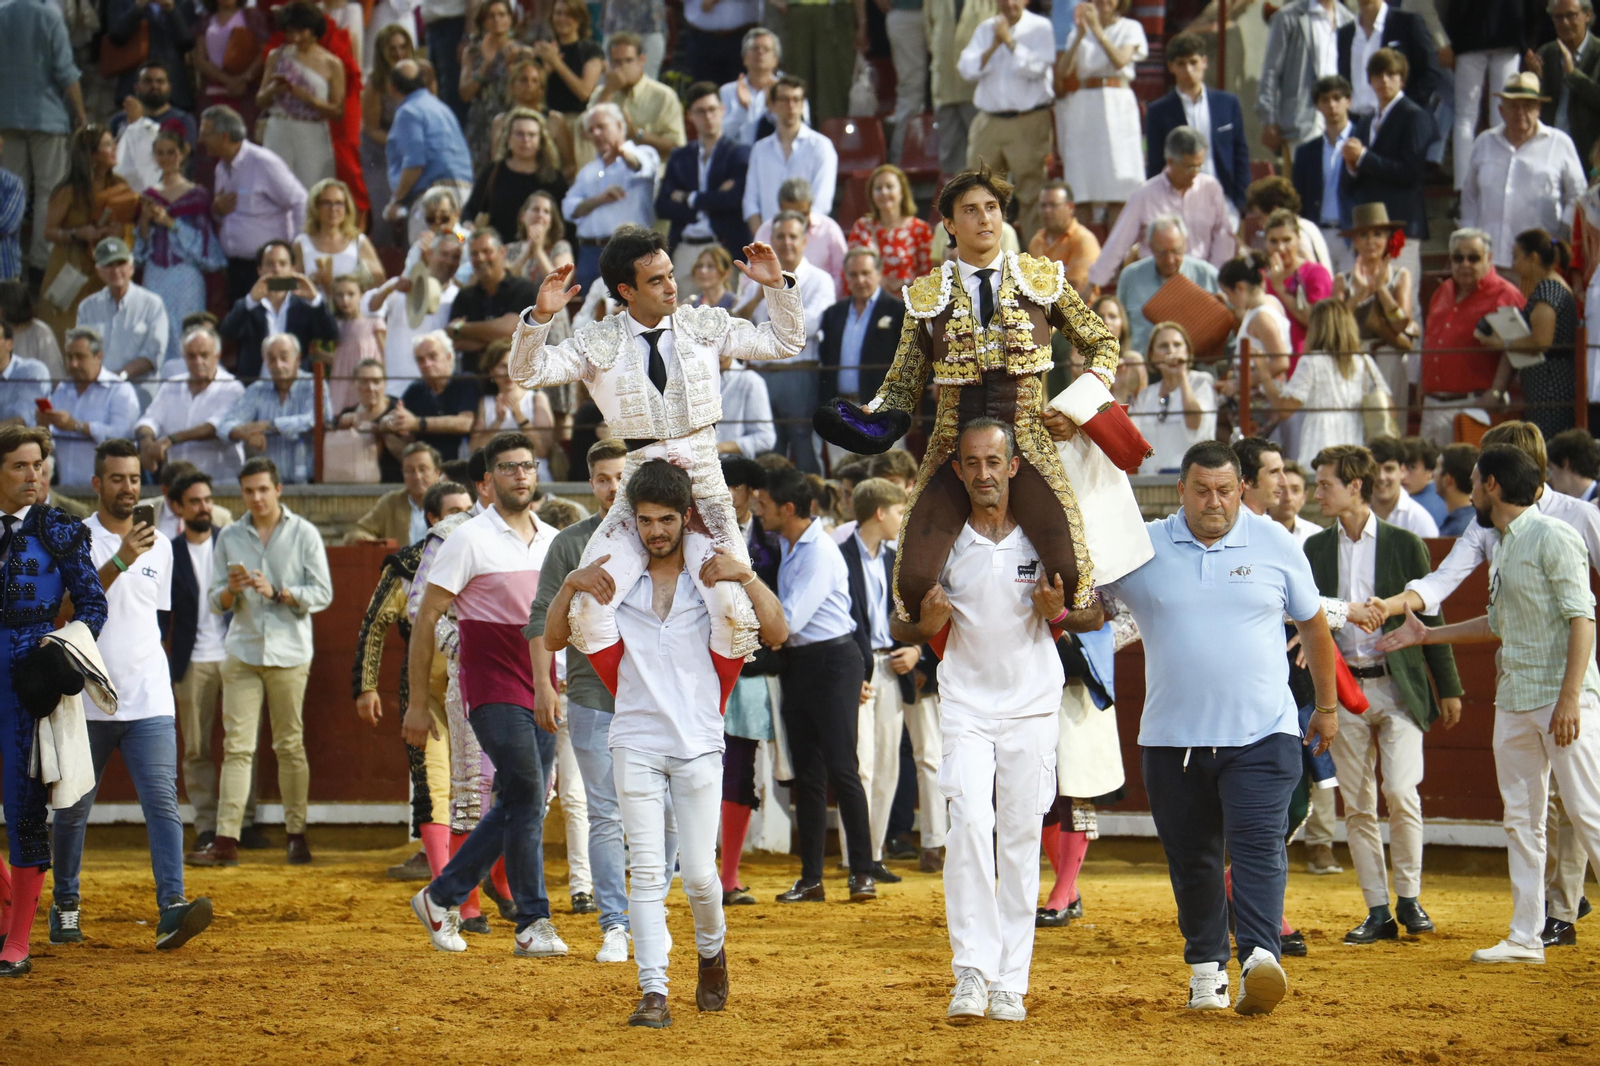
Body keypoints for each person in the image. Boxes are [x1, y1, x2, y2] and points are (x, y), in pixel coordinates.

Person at [816, 164, 1128, 630]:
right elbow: (901, 383)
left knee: (1071, 576)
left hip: (1027, 443)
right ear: (948, 223)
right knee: (914, 582)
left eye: (992, 209)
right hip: (952, 446)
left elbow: (1101, 343)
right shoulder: (927, 296)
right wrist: (870, 419)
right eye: (970, 210)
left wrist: (1075, 408)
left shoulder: (1040, 280)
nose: (985, 219)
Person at [546, 459, 786, 1025]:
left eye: (666, 520)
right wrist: (570, 585)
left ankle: (711, 950)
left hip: (700, 741)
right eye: (647, 520)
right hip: (633, 738)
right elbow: (556, 635)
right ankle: (653, 990)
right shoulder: (617, 580)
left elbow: (777, 632)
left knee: (701, 876)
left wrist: (746, 576)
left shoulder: (713, 579)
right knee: (649, 872)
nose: (656, 531)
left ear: (685, 518)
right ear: (635, 521)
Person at [509, 225, 802, 688]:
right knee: (588, 608)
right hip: (640, 486)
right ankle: (632, 699)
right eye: (657, 281)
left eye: (670, 275)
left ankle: (711, 708)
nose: (672, 287)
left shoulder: (703, 324)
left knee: (731, 609)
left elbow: (785, 344)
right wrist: (538, 320)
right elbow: (528, 372)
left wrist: (777, 287)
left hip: (704, 483)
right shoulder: (596, 342)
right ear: (626, 290)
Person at [1107, 439, 1340, 1014]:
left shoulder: (1275, 542)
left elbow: (1314, 627)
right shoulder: (1143, 545)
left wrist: (1328, 708)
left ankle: (1261, 956)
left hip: (1264, 732)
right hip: (1171, 738)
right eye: (1202, 490)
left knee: (1259, 847)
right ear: (1180, 490)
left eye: (1226, 490)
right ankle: (1207, 967)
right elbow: (1092, 606)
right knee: (1194, 858)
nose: (1215, 501)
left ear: (1242, 490)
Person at [1376, 444, 1600, 964]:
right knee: (1522, 820)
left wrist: (1570, 697)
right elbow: (1498, 625)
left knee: (1589, 813)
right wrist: (1425, 637)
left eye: (1474, 482)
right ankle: (1526, 935)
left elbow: (1582, 618)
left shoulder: (1555, 535)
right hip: (1517, 697)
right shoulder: (1503, 544)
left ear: (1493, 486)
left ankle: (1529, 932)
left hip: (1560, 700)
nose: (1468, 490)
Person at [891, 418, 1079, 1020]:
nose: (982, 474)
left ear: (1013, 466)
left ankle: (1010, 981)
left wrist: (1059, 613)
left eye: (992, 462)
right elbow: (899, 622)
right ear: (957, 469)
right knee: (969, 826)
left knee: (1021, 837)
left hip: (1032, 703)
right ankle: (972, 970)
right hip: (967, 702)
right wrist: (923, 626)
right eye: (971, 463)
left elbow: (1094, 608)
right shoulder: (940, 540)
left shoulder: (1043, 536)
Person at [48, 438, 215, 954]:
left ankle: (172, 908)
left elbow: (153, 620)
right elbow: (65, 611)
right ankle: (66, 905)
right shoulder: (75, 538)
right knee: (73, 808)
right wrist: (121, 558)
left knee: (163, 804)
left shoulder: (162, 546)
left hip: (148, 696)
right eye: (117, 478)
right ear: (97, 484)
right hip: (87, 694)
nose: (128, 488)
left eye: (135, 479)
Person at [405, 432, 567, 957]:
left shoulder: (551, 539)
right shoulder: (467, 538)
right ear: (488, 481)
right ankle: (531, 920)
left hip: (542, 681)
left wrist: (554, 680)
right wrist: (414, 701)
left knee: (526, 799)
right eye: (508, 467)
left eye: (527, 465)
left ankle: (442, 896)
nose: (520, 474)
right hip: (491, 684)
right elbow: (425, 616)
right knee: (524, 790)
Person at [1305, 444, 1463, 945]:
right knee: (1357, 803)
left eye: (1325, 483)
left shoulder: (1404, 542)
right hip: (1347, 686)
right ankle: (1378, 907)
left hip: (1399, 686)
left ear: (1355, 485)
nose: (1317, 493)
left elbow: (1429, 615)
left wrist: (1450, 687)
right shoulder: (1314, 550)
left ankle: (1410, 897)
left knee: (1399, 791)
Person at [524, 438, 641, 954]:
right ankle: (616, 921)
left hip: (654, 698)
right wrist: (545, 684)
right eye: (602, 479)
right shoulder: (570, 544)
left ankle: (646, 911)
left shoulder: (660, 532)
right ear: (590, 483)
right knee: (605, 812)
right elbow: (540, 621)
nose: (612, 487)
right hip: (593, 695)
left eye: (620, 477)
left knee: (662, 811)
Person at [187, 456, 332, 868]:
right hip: (244, 650)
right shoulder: (230, 536)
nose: (256, 497)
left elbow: (322, 593)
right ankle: (226, 840)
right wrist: (232, 591)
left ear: (278, 489)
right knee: (238, 748)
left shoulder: (304, 532)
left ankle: (296, 835)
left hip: (288, 651)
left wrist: (279, 592)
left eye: (263, 489)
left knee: (289, 745)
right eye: (249, 491)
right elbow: (216, 601)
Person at [0, 425, 107, 977]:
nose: (32, 476)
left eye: (38, 465)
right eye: (20, 466)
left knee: (23, 807)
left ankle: (16, 942)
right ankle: (7, 909)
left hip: (25, 670)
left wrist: (61, 646)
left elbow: (93, 603)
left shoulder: (56, 528)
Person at [752, 467, 879, 903]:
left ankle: (862, 871)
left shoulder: (818, 551)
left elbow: (786, 623)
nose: (757, 511)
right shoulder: (793, 545)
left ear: (788, 509)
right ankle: (812, 878)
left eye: (763, 505)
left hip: (830, 661)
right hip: (808, 662)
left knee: (842, 767)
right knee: (808, 773)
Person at [838, 477, 913, 883]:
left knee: (886, 767)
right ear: (880, 513)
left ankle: (875, 852)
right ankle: (857, 857)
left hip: (890, 666)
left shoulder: (891, 559)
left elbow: (904, 614)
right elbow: (838, 621)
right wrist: (850, 671)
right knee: (862, 766)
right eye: (899, 511)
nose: (904, 518)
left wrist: (916, 649)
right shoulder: (839, 556)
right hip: (859, 671)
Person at [735, 211, 834, 472]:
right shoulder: (755, 277)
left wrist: (778, 295)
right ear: (772, 241)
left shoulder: (819, 280)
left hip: (799, 373)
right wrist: (758, 296)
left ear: (804, 241)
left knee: (805, 447)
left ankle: (814, 508)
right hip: (763, 373)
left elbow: (809, 326)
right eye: (780, 236)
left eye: (793, 236)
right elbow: (736, 321)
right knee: (768, 451)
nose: (787, 242)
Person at [1462, 73, 1586, 272]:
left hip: (1539, 263)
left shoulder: (1559, 144)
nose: (1520, 112)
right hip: (1490, 263)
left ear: (1538, 109)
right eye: (1513, 106)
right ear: (1501, 110)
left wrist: (1560, 235)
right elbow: (1469, 199)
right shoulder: (1484, 143)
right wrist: (1469, 244)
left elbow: (1578, 196)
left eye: (1528, 105)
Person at [1090, 127, 1236, 291]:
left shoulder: (1211, 188)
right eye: (1189, 167)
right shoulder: (1145, 194)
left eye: (1199, 167)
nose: (1195, 173)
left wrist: (1214, 278)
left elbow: (1224, 238)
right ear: (1170, 162)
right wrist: (1094, 283)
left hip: (1202, 281)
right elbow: (1118, 242)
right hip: (1155, 283)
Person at [0, 0, 87, 273]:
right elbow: (65, 70)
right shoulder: (50, 16)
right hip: (47, 117)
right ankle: (41, 262)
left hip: (6, 116)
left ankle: (9, 261)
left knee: (12, 192)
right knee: (48, 192)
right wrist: (81, 115)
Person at [957, 0, 1055, 242]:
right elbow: (966, 69)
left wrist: (1010, 43)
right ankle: (987, 257)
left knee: (1032, 192)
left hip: (1028, 119)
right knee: (979, 189)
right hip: (989, 120)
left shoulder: (1040, 27)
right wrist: (994, 44)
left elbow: (1039, 68)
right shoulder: (986, 28)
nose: (1010, 3)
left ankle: (1035, 259)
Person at [1418, 228, 1525, 446]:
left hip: (1473, 406)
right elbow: (1429, 344)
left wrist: (1496, 392)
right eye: (1458, 258)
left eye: (1473, 258)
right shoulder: (1443, 291)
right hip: (1432, 405)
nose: (1465, 264)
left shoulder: (1505, 294)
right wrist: (1421, 390)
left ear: (1489, 258)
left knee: (1468, 476)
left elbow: (1515, 348)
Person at [1342, 48, 1435, 298]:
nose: (1384, 81)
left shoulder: (1415, 116)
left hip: (1401, 223)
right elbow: (1353, 180)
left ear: (1402, 79)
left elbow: (1412, 173)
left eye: (1391, 74)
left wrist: (1363, 157)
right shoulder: (1365, 121)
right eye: (1377, 75)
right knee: (1367, 298)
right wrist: (1352, 165)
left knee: (1403, 299)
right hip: (1369, 226)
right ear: (1369, 80)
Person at [135, 131, 226, 370]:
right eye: (160, 153)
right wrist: (145, 222)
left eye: (171, 152)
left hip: (186, 273)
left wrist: (170, 223)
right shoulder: (148, 195)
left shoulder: (196, 195)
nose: (165, 158)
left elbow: (205, 242)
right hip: (156, 272)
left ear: (182, 154)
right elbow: (141, 248)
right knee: (155, 330)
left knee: (187, 329)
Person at [1260, 300, 1388, 468]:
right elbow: (1388, 405)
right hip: (1354, 442)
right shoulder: (1364, 361)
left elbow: (1285, 409)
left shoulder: (1311, 362)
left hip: (1319, 441)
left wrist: (1263, 373)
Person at [202, 105, 310, 305]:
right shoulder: (221, 168)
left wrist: (295, 250)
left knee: (271, 324)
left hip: (268, 268)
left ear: (224, 136)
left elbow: (299, 200)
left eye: (206, 134)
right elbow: (225, 215)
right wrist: (217, 209)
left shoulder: (263, 162)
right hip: (235, 267)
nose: (201, 140)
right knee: (243, 328)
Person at [40, 126, 138, 342]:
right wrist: (77, 233)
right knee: (65, 328)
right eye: (107, 145)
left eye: (113, 142)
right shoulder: (69, 189)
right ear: (91, 155)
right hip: (72, 266)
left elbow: (130, 222)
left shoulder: (120, 185)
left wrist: (121, 229)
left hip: (105, 267)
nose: (114, 148)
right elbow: (48, 231)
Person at [1055, 0, 1149, 220]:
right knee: (1081, 187)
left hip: (1118, 104)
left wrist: (1097, 31)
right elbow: (1063, 71)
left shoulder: (1130, 27)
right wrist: (1079, 35)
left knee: (1119, 185)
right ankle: (1083, 251)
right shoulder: (1080, 31)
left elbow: (1120, 60)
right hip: (1085, 106)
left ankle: (1119, 253)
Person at [1481, 228, 1579, 439]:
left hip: (1551, 389)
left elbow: (1541, 341)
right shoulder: (1548, 287)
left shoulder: (1548, 290)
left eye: (1516, 258)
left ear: (1533, 258)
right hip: (1544, 388)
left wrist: (1503, 343)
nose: (1513, 265)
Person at [1145, 33, 1250, 215]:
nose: (1188, 69)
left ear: (1204, 62)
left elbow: (1240, 152)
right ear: (1171, 67)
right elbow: (1155, 162)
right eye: (1181, 64)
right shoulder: (1158, 111)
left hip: (1225, 200)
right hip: (1178, 201)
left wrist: (1240, 200)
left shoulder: (1227, 103)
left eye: (1193, 62)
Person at [657, 83, 751, 286]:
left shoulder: (738, 153)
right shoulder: (679, 157)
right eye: (700, 111)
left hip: (723, 245)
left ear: (722, 110)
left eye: (712, 110)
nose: (708, 117)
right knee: (679, 312)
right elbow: (662, 205)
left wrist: (689, 198)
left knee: (726, 313)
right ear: (690, 115)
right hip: (685, 246)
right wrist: (713, 199)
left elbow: (734, 199)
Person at [562, 103, 661, 290]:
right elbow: (568, 209)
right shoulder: (588, 171)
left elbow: (641, 167)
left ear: (619, 126)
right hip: (590, 253)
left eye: (601, 126)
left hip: (631, 251)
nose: (596, 134)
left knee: (631, 312)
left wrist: (622, 153)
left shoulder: (644, 153)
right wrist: (599, 199)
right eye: (591, 130)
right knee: (590, 316)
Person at [1331, 201, 1416, 411]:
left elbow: (1401, 325)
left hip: (1389, 358)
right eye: (1363, 235)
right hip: (1353, 359)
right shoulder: (1342, 281)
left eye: (1377, 234)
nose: (1370, 241)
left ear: (1388, 239)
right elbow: (1334, 328)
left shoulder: (1400, 276)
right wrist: (1358, 295)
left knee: (1390, 426)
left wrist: (1381, 290)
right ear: (1355, 241)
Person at [136, 324, 247, 481]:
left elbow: (217, 427)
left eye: (204, 355)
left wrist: (169, 440)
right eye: (191, 356)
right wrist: (146, 443)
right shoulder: (171, 385)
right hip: (179, 483)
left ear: (217, 356)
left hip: (220, 483)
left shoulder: (233, 388)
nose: (198, 361)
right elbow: (150, 419)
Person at [219, 333, 334, 484]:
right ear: (265, 362)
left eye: (284, 357)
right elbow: (223, 426)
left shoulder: (313, 385)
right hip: (269, 485)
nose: (278, 365)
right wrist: (246, 434)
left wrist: (268, 425)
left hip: (310, 481)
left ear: (298, 359)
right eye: (271, 359)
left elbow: (313, 419)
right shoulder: (257, 389)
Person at [383, 59, 475, 244]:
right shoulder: (440, 107)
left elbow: (415, 163)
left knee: (427, 254)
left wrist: (396, 201)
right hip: (463, 196)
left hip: (434, 201)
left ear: (392, 88)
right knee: (460, 245)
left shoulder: (408, 112)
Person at [1443, 0, 1531, 192]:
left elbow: (1456, 8)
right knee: (1502, 113)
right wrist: (1527, 41)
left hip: (1469, 38)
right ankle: (1500, 181)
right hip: (1508, 35)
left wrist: (1452, 41)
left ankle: (1463, 185)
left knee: (1465, 116)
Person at [220, 239, 339, 381]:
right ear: (259, 269)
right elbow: (228, 332)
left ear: (292, 269)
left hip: (296, 387)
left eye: (282, 264)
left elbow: (330, 334)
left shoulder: (304, 306)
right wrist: (251, 301)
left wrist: (315, 300)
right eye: (270, 264)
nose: (276, 269)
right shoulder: (248, 305)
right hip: (255, 387)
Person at [1257, 0, 1354, 172]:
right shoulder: (1288, 16)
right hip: (1301, 120)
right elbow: (1270, 72)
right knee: (1302, 187)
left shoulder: (1349, 20)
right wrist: (1269, 119)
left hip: (1340, 119)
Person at [258, 2, 345, 191]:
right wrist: (274, 90)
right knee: (275, 189)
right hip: (279, 129)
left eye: (301, 32)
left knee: (312, 190)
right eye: (290, 32)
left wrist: (309, 99)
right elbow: (260, 100)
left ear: (313, 30)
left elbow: (338, 112)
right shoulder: (277, 56)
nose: (295, 38)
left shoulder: (332, 64)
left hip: (312, 134)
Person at [363, 233, 462, 399]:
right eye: (444, 254)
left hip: (438, 392)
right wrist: (390, 289)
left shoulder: (457, 296)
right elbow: (369, 309)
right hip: (397, 388)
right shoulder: (401, 285)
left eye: (455, 257)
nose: (449, 261)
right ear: (429, 254)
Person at [39, 328, 141, 486]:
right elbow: (52, 440)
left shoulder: (119, 389)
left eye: (80, 357)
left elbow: (123, 436)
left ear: (98, 356)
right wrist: (43, 423)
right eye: (69, 357)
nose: (73, 364)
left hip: (105, 491)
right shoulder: (62, 389)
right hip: (64, 487)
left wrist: (78, 426)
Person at [1114, 215, 1221, 357]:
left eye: (1176, 251)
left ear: (1185, 244)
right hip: (1143, 367)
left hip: (1196, 365)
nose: (1170, 260)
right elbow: (1119, 329)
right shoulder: (1130, 277)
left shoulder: (1207, 275)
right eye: (1162, 253)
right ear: (1150, 247)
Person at [742, 77, 836, 236]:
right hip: (768, 240)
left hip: (808, 238)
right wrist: (763, 240)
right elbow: (750, 203)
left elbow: (821, 203)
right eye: (784, 100)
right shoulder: (760, 150)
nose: (791, 106)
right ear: (772, 106)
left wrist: (796, 237)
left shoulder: (821, 146)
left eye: (796, 100)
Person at [463, 110, 568, 251]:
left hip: (542, 254)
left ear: (540, 140)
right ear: (508, 138)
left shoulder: (553, 177)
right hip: (500, 254)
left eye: (531, 135)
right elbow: (470, 210)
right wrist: (468, 227)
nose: (525, 140)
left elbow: (566, 222)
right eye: (519, 134)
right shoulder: (494, 172)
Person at [820, 247, 906, 418]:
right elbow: (826, 357)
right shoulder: (833, 313)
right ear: (845, 276)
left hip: (882, 410)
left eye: (866, 273)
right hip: (840, 410)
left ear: (879, 273)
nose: (860, 280)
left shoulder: (899, 311)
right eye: (853, 274)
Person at [74, 237, 171, 386]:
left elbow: (153, 354)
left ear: (131, 267)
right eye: (109, 265)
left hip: (138, 394)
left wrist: (120, 375)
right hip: (97, 389)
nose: (116, 270)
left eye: (121, 263)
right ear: (98, 271)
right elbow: (82, 351)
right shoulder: (87, 307)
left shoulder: (152, 304)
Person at [1127, 322, 1217, 475]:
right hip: (1152, 481)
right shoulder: (1145, 395)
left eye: (1177, 345)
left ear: (1187, 352)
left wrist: (1181, 375)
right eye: (1163, 346)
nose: (1171, 351)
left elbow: (1195, 424)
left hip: (1192, 480)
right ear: (1152, 355)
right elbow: (1131, 440)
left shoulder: (1201, 383)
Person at [1338, 0, 1444, 128]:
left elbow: (1430, 71)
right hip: (1356, 125)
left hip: (1400, 125)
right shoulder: (1345, 34)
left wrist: (1402, 110)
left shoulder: (1408, 23)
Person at [585, 32, 685, 161]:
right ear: (609, 64)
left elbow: (676, 147)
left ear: (641, 60)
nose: (623, 67)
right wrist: (608, 91)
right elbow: (585, 133)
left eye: (629, 60)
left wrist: (637, 134)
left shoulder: (664, 95)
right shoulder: (601, 93)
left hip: (653, 173)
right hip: (608, 171)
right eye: (617, 62)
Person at [1293, 76, 1358, 274]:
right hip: (1318, 232)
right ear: (1317, 106)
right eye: (1325, 100)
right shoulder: (1306, 151)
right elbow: (1299, 197)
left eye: (1337, 98)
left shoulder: (1364, 141)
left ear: (1349, 101)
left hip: (1353, 234)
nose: (1332, 105)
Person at [458, 0, 531, 172]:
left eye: (501, 14)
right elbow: (464, 93)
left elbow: (529, 92)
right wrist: (486, 65)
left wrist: (509, 67)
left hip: (511, 121)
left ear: (510, 19)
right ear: (483, 22)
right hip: (480, 123)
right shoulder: (472, 52)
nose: (496, 20)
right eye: (491, 16)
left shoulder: (522, 53)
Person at [446, 229, 538, 360]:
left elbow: (511, 330)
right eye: (474, 254)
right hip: (474, 377)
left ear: (502, 252)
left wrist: (461, 328)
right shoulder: (464, 296)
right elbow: (454, 342)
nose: (480, 258)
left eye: (486, 251)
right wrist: (498, 338)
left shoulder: (524, 289)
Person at [361, 25, 415, 245]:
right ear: (381, 52)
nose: (399, 53)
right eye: (392, 48)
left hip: (414, 154)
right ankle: (382, 268)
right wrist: (402, 144)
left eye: (403, 47)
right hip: (379, 154)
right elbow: (372, 129)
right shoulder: (374, 83)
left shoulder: (422, 73)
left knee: (415, 214)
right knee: (385, 216)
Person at [385, 329, 477, 459]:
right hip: (428, 464)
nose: (427, 364)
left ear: (448, 357)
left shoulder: (465, 382)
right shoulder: (415, 389)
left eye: (433, 357)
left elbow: (465, 423)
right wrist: (392, 422)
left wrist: (418, 423)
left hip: (460, 463)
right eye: (421, 360)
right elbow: (398, 418)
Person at [749, 177, 849, 297]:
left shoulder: (829, 229)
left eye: (803, 213)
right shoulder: (766, 230)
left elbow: (842, 274)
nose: (797, 219)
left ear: (810, 206)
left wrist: (824, 297)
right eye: (790, 213)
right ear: (780, 208)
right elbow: (751, 276)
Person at [927, 0, 993, 178]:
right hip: (944, 86)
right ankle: (955, 203)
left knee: (985, 161)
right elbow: (930, 33)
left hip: (978, 90)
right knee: (951, 160)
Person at [470, 340, 558, 472]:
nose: (509, 372)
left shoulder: (537, 399)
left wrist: (519, 416)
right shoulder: (485, 403)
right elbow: (474, 450)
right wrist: (497, 422)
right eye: (503, 366)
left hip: (533, 471)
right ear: (491, 371)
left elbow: (542, 450)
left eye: (514, 365)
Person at [1531, 0, 1600, 168]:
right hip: (1550, 149)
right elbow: (1535, 106)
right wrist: (1536, 79)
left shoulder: (1597, 53)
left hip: (1588, 152)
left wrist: (1573, 75)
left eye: (1571, 15)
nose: (1565, 23)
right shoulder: (1547, 53)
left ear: (1587, 15)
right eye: (1558, 17)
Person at [847, 165, 934, 296]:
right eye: (878, 188)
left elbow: (929, 275)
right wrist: (877, 281)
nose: (884, 192)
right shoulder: (861, 228)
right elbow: (851, 268)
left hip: (908, 303)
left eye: (889, 187)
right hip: (871, 301)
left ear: (902, 192)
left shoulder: (920, 229)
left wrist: (905, 283)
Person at [532, 0, 605, 155]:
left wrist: (557, 64)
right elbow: (532, 92)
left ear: (580, 19)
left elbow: (584, 92)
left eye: (568, 14)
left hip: (577, 124)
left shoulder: (591, 50)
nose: (562, 19)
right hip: (548, 121)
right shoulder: (544, 50)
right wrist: (545, 71)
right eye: (558, 13)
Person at [295, 178, 385, 297]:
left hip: (350, 310)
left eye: (339, 203)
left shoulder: (358, 241)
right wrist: (310, 281)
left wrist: (349, 285)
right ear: (315, 207)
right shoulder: (302, 243)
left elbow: (379, 281)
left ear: (346, 208)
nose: (333, 209)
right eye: (327, 203)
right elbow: (289, 284)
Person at [350, 442, 443, 543]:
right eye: (410, 471)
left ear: (437, 473)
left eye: (423, 469)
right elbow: (357, 532)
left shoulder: (448, 502)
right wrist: (380, 546)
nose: (417, 477)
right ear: (403, 474)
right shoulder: (391, 503)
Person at [1027, 182, 1100, 297]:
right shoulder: (1036, 241)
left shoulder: (1083, 240)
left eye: (1053, 205)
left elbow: (1077, 290)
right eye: (1043, 205)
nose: (1047, 210)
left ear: (1070, 207)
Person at [505, 190, 575, 292]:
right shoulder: (510, 249)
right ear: (523, 216)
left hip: (551, 307)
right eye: (535, 209)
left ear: (550, 221)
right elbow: (504, 283)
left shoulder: (561, 248)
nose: (540, 215)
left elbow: (558, 284)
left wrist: (538, 251)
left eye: (546, 211)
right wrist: (526, 254)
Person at [1091, 294, 1145, 405]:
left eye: (1112, 316)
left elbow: (1143, 403)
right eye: (1100, 316)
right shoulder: (1079, 358)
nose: (1106, 321)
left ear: (1122, 323)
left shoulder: (1134, 360)